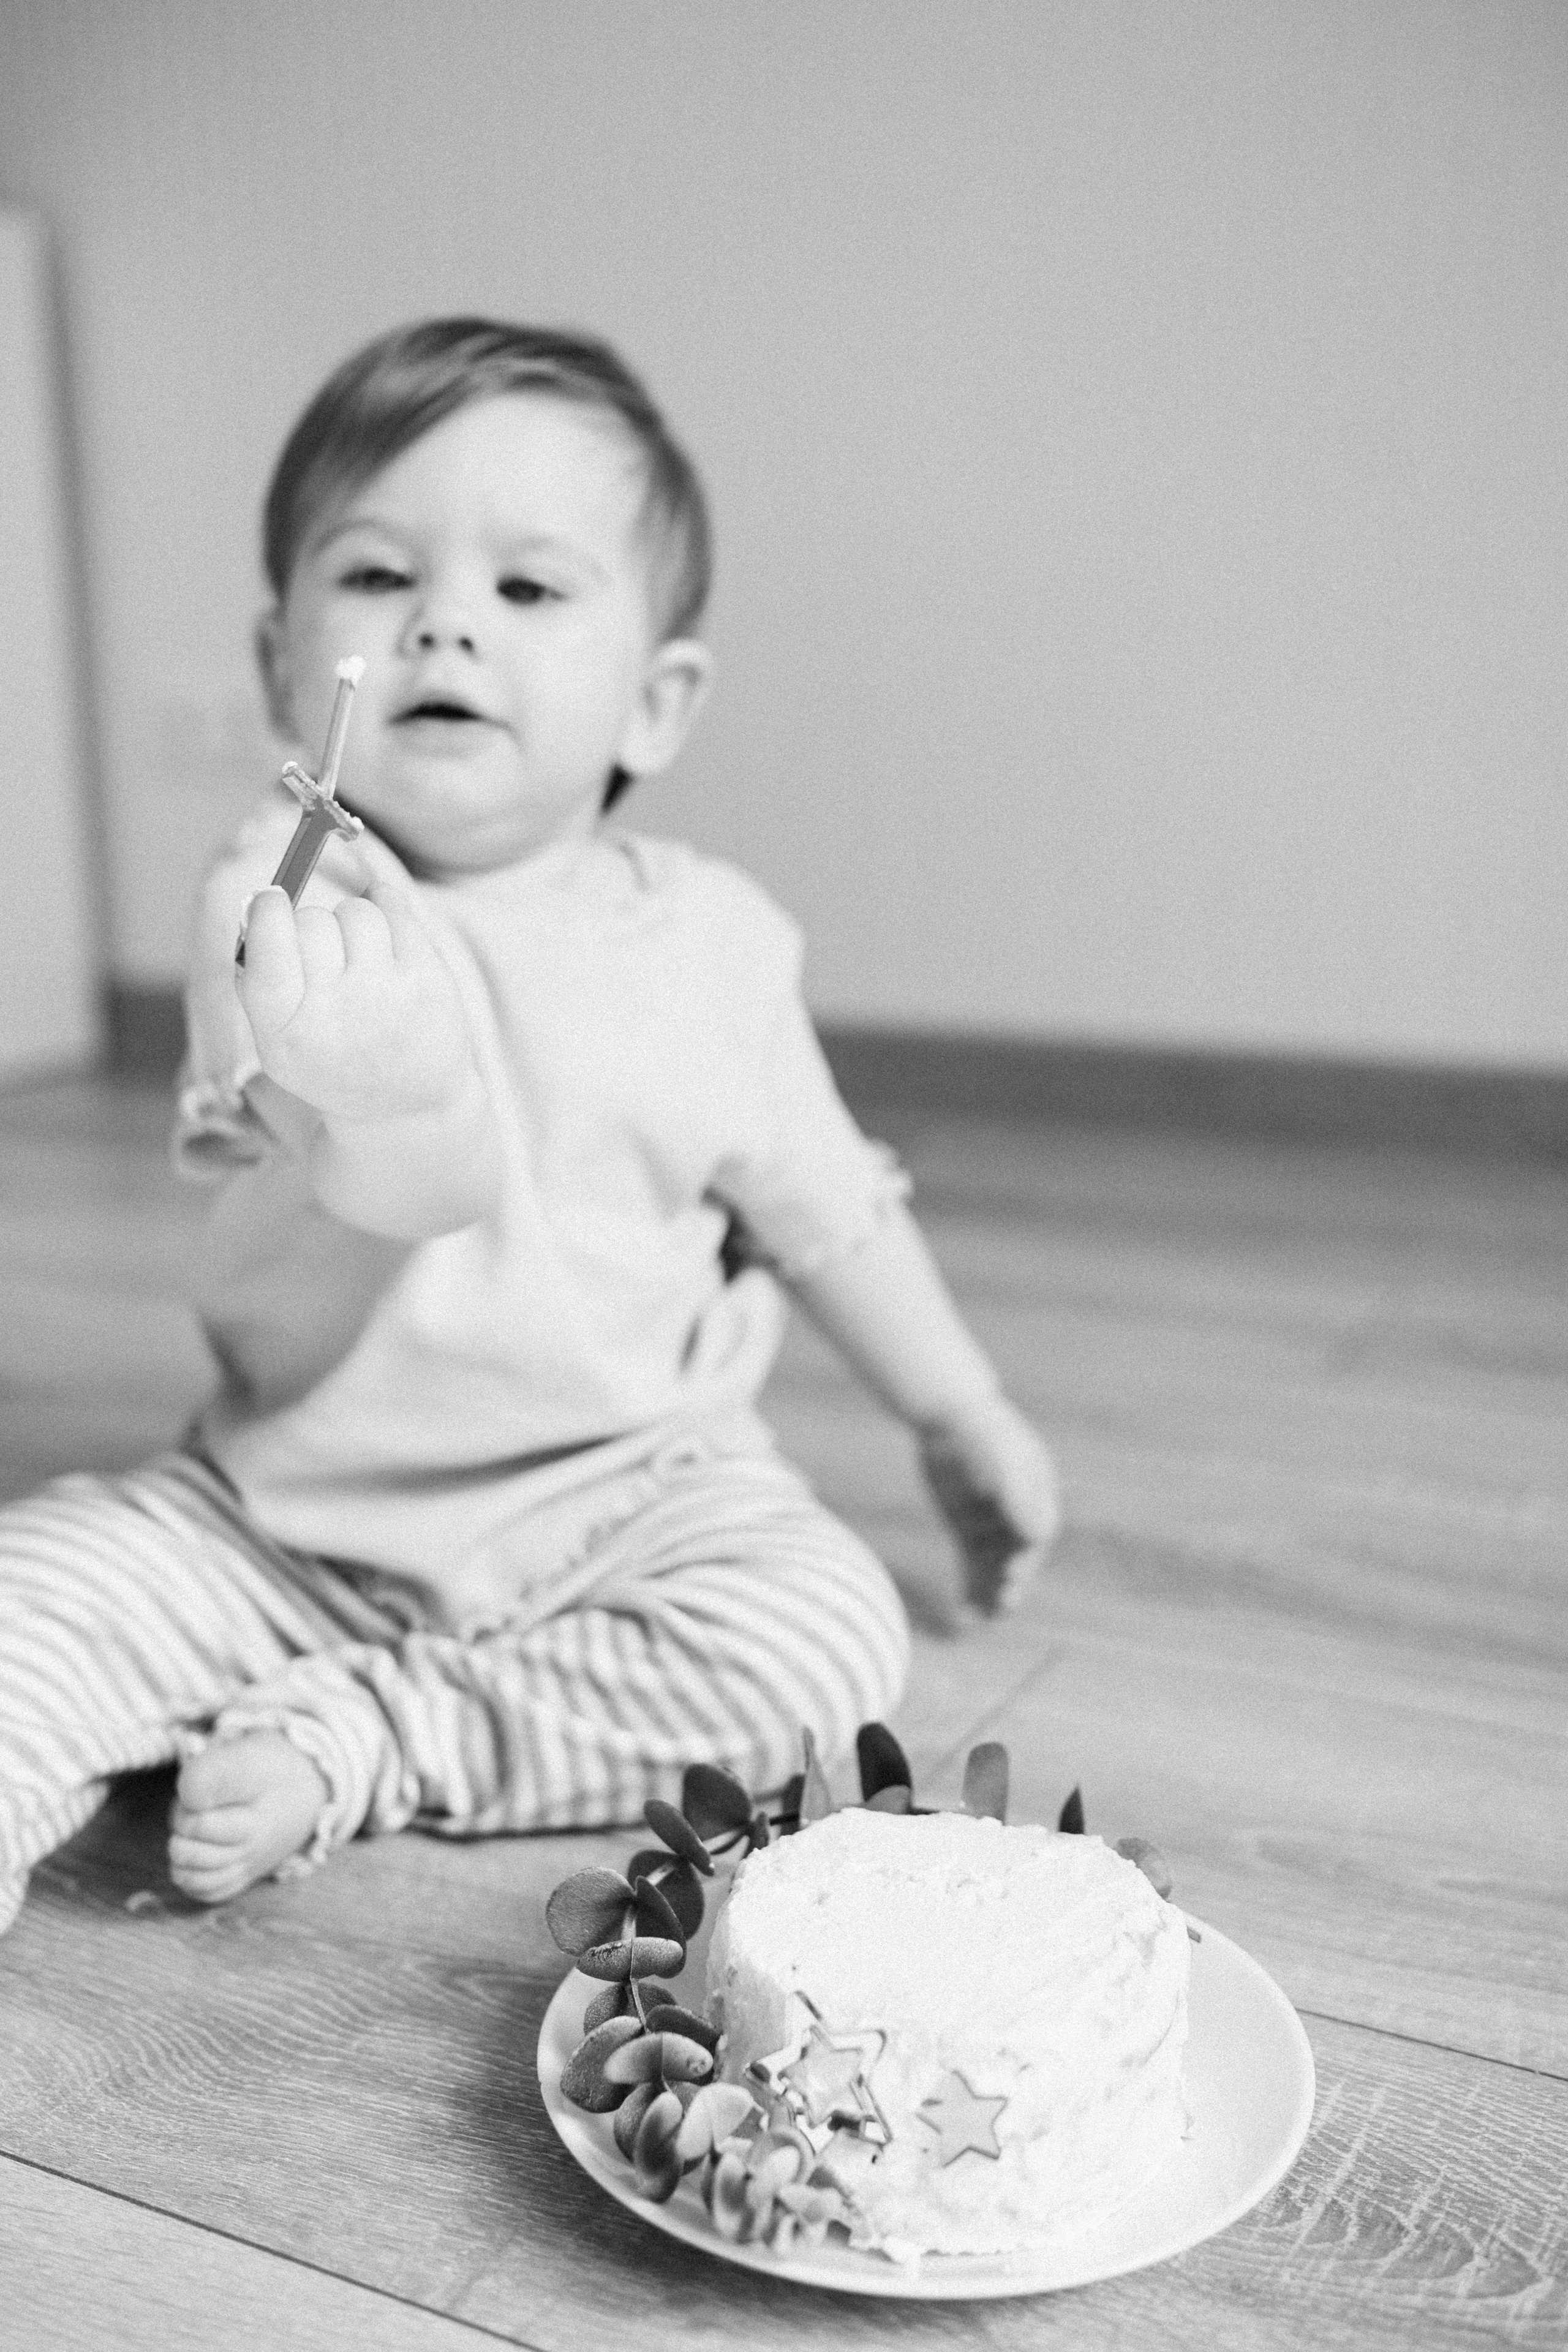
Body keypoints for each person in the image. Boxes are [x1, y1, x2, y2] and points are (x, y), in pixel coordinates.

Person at [0, 319, 1060, 1934]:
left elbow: (825, 1206)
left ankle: (375, 1732)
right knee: (37, 1604)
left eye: (529, 590)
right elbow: (402, 1178)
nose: (442, 624)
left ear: (655, 700)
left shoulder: (717, 944)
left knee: (825, 1643)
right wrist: (391, 1086)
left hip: (629, 1500)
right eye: (376, 576)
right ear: (281, 665)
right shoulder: (281, 900)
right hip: (280, 1511)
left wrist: (956, 1406)